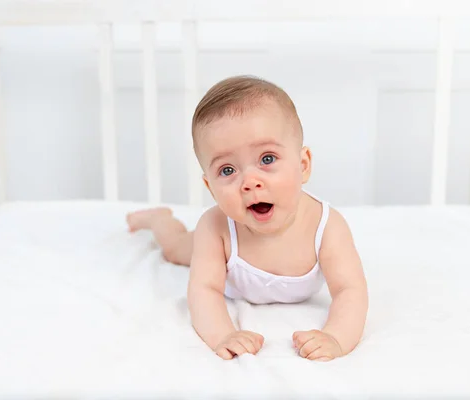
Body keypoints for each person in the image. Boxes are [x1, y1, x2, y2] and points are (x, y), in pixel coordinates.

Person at [126, 75, 368, 362]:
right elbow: (205, 290)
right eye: (227, 170)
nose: (250, 182)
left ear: (302, 166)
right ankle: (158, 220)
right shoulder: (215, 228)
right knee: (176, 248)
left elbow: (349, 290)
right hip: (212, 251)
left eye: (267, 159)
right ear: (211, 188)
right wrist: (223, 335)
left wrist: (336, 338)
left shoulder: (326, 226)